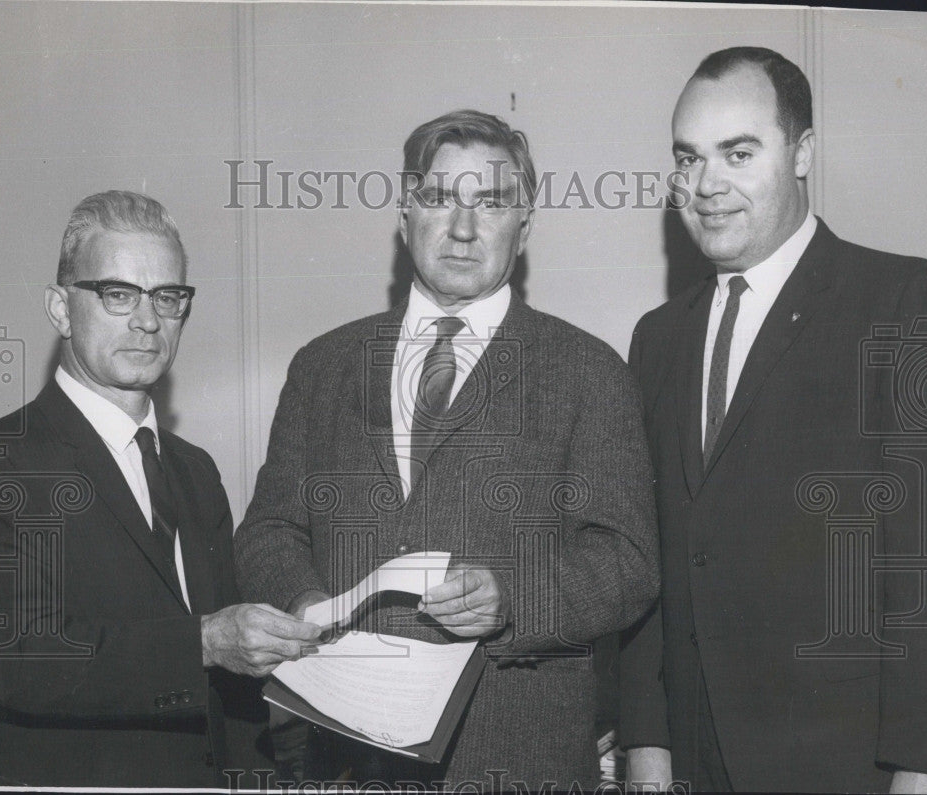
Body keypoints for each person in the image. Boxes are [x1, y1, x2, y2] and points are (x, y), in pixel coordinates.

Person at [234, 109, 660, 790]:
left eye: (489, 202)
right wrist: (305, 600)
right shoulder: (323, 366)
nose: (462, 228)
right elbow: (269, 528)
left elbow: (628, 560)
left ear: (525, 223)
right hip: (344, 758)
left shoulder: (588, 370)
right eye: (438, 198)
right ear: (405, 216)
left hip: (516, 758)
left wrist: (511, 598)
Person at [620, 47, 927, 793]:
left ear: (802, 154)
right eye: (688, 158)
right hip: (691, 760)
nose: (706, 186)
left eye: (738, 153)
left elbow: (921, 557)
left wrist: (922, 762)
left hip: (845, 761)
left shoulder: (901, 297)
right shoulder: (657, 337)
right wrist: (646, 740)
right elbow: (651, 558)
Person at [0, 190, 321, 787]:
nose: (148, 321)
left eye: (167, 296)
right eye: (118, 294)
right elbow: (20, 663)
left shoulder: (196, 472)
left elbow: (237, 696)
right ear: (61, 310)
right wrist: (202, 642)